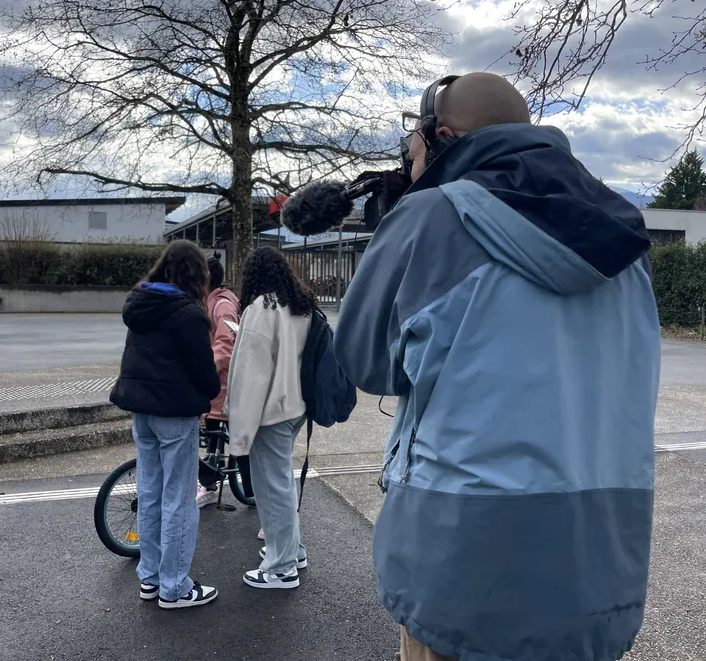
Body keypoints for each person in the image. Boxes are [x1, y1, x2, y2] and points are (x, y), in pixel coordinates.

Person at [335, 72, 660, 661]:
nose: (409, 171)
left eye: (412, 154)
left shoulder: (432, 216)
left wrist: (395, 228)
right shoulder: (624, 240)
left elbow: (366, 363)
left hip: (462, 562)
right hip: (601, 561)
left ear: (442, 139)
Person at [109, 239, 222, 610]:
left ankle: (151, 577)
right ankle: (175, 587)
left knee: (152, 493)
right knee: (178, 500)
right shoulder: (187, 313)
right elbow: (205, 376)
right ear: (196, 274)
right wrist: (209, 393)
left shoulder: (141, 304)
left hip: (140, 413)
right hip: (175, 416)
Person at [226, 247, 314, 590]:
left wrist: (240, 435)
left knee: (272, 488)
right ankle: (293, 551)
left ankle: (281, 567)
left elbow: (251, 375)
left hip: (270, 411)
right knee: (282, 483)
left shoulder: (262, 308)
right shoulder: (301, 304)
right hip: (295, 406)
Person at [196, 252, 246, 508]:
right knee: (213, 435)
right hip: (215, 384)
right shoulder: (210, 301)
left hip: (222, 383)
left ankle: (210, 485)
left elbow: (225, 344)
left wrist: (207, 370)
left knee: (217, 434)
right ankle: (209, 483)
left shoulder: (223, 304)